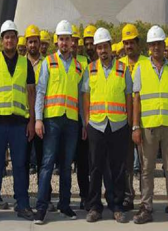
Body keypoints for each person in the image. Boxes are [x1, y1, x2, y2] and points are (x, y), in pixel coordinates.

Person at [0, 21, 36, 221]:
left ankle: (23, 204)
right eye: (6, 37)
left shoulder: (25, 63)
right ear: (2, 40)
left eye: (12, 37)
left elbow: (31, 93)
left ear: (17, 39)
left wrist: (32, 121)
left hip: (19, 123)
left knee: (20, 165)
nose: (9, 40)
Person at [132, 28, 168, 227]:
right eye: (153, 44)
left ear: (164, 46)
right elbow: (137, 99)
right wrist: (135, 127)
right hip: (148, 126)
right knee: (147, 168)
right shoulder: (140, 68)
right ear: (149, 47)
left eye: (159, 43)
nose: (156, 47)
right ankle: (145, 207)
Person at [33, 20, 84, 225]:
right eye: (61, 39)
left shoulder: (79, 66)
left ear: (72, 42)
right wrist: (38, 119)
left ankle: (65, 204)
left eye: (67, 39)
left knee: (66, 165)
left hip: (71, 121)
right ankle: (41, 208)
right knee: (47, 164)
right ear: (57, 41)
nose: (64, 42)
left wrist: (83, 123)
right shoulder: (49, 62)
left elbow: (81, 97)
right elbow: (41, 91)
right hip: (52, 119)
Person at [81, 28, 132, 223]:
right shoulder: (90, 69)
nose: (102, 51)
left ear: (111, 47)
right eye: (99, 47)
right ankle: (94, 206)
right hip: (97, 125)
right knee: (95, 167)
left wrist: (129, 122)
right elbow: (86, 95)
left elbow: (128, 96)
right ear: (96, 49)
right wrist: (87, 121)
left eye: (105, 47)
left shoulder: (122, 69)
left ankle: (116, 205)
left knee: (117, 167)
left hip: (118, 124)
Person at [119, 24, 149, 212]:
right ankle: (128, 196)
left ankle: (145, 200)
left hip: (145, 120)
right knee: (127, 163)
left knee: (145, 164)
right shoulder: (119, 65)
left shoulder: (147, 63)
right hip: (125, 121)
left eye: (132, 42)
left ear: (138, 43)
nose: (129, 46)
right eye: (126, 43)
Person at [72, 26, 90, 210]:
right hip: (65, 117)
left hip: (82, 117)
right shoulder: (56, 62)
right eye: (70, 40)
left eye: (76, 41)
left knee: (84, 161)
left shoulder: (85, 62)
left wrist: (85, 121)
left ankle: (86, 195)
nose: (73, 44)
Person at [24, 25, 45, 180]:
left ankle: (44, 190)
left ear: (39, 43)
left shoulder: (47, 63)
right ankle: (22, 191)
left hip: (41, 116)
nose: (32, 45)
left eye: (35, 41)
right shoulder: (20, 63)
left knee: (42, 157)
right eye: (30, 42)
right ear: (26, 44)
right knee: (23, 157)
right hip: (24, 115)